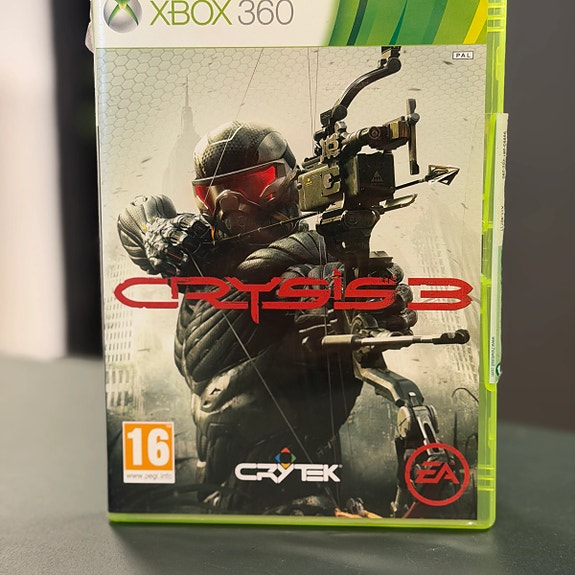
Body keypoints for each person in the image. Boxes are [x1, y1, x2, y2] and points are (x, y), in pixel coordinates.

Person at [117, 120, 416, 515]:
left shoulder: (304, 262)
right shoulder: (199, 254)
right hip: (220, 484)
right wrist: (157, 231)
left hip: (294, 480)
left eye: (252, 184)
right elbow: (136, 214)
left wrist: (366, 300)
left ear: (288, 183)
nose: (230, 204)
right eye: (212, 193)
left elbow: (317, 290)